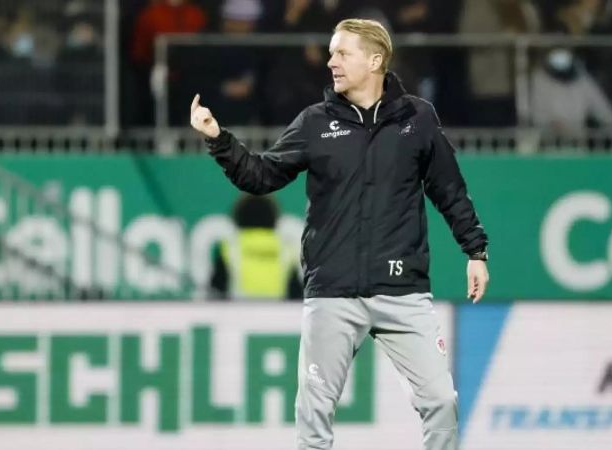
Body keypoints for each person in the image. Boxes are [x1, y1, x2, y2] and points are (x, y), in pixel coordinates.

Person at [190, 18, 489, 450]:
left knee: (441, 401)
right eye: (331, 52)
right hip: (332, 290)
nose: (330, 61)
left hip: (402, 290)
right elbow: (261, 175)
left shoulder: (418, 119)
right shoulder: (315, 122)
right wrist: (218, 139)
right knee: (314, 417)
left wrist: (475, 250)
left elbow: (449, 189)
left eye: (341, 53)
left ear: (375, 60)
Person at [209, 193, 304, 300]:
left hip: (237, 312)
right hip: (277, 313)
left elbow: (216, 290)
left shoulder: (228, 248)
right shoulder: (286, 249)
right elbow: (295, 294)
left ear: (238, 217)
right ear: (274, 218)